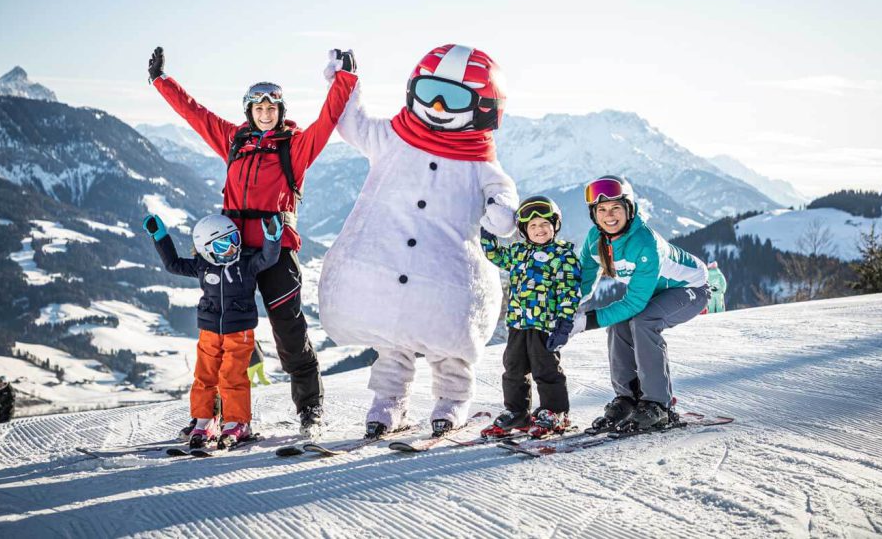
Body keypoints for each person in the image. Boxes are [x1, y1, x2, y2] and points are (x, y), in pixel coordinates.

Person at [148, 46, 357, 438]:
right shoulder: (234, 141)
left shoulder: (292, 149)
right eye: (258, 108)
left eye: (271, 109)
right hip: (230, 255)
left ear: (279, 112)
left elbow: (326, 122)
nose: (265, 114)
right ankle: (214, 418)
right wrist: (162, 82)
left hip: (276, 253)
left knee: (289, 333)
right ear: (249, 111)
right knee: (223, 340)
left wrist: (345, 79)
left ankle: (310, 409)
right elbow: (195, 114)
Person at [317, 46, 519, 437]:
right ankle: (388, 403)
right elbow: (351, 123)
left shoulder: (480, 163)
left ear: (483, 105)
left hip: (449, 277)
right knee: (392, 344)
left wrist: (501, 209)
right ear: (413, 90)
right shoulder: (393, 138)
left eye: (456, 98)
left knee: (450, 347)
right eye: (430, 93)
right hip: (394, 268)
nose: (440, 106)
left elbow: (503, 198)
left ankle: (452, 400)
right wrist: (344, 83)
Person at [569, 175, 711, 431]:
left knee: (644, 321)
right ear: (594, 214)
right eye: (601, 209)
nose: (609, 215)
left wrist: (585, 322)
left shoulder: (645, 243)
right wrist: (566, 311)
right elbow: (585, 279)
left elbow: (635, 303)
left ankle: (658, 405)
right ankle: (628, 398)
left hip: (690, 289)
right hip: (652, 292)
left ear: (629, 209)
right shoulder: (595, 239)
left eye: (615, 208)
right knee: (618, 321)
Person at [143, 212, 282, 449]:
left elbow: (268, 258)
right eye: (223, 244)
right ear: (207, 249)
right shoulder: (202, 266)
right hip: (209, 329)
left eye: (234, 240)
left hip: (240, 331)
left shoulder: (246, 264)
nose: (232, 249)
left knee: (232, 375)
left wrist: (272, 234)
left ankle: (238, 422)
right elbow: (173, 264)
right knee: (204, 375)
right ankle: (205, 419)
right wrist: (160, 236)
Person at [478, 195, 581, 439]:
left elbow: (570, 291)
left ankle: (555, 413)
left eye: (544, 224)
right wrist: (488, 232)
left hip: (546, 325)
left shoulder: (562, 256)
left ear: (555, 225)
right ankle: (517, 412)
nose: (539, 230)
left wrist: (564, 323)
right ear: (524, 230)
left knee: (545, 368)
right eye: (533, 226)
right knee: (513, 368)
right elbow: (495, 256)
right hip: (517, 323)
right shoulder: (518, 251)